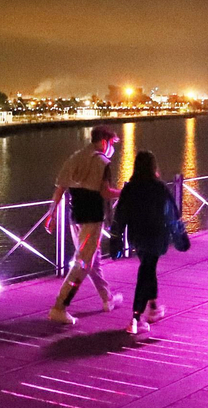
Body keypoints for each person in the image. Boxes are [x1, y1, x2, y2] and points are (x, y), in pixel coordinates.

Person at [46, 126, 123, 325]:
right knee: (82, 263)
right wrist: (125, 192)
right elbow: (105, 193)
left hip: (75, 217)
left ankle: (107, 298)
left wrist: (52, 213)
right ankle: (59, 306)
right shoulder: (102, 162)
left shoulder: (75, 157)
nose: (112, 148)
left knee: (92, 260)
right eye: (112, 143)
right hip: (92, 219)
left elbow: (60, 188)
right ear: (105, 141)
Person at [112, 150, 179, 335]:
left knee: (148, 269)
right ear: (153, 166)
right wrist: (178, 235)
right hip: (156, 235)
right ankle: (136, 318)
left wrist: (116, 238)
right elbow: (172, 211)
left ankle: (153, 308)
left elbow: (120, 216)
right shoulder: (159, 187)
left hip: (137, 236)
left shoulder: (129, 188)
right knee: (146, 271)